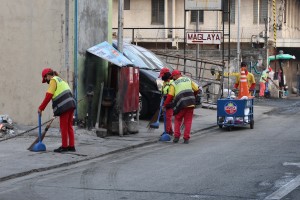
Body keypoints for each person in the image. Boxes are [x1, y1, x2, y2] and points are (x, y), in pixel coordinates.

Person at [38, 68, 76, 153]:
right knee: (69, 126)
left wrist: (41, 108)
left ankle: (64, 146)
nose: (46, 81)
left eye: (45, 79)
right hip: (71, 104)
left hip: (65, 107)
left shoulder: (53, 80)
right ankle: (71, 146)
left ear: (47, 75)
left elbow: (49, 96)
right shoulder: (60, 80)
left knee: (63, 127)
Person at [163, 70, 199, 144]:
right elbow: (196, 89)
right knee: (188, 121)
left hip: (181, 104)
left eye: (173, 77)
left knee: (178, 119)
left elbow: (170, 96)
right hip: (190, 103)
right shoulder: (188, 79)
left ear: (176, 76)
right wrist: (193, 96)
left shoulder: (174, 83)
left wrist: (165, 104)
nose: (173, 79)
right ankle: (186, 138)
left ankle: (176, 137)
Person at [158, 67, 174, 136]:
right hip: (165, 101)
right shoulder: (164, 83)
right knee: (167, 117)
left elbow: (171, 94)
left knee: (168, 118)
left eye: (162, 76)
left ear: (166, 75)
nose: (161, 77)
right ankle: (170, 131)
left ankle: (167, 132)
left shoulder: (172, 83)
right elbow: (163, 91)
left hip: (170, 102)